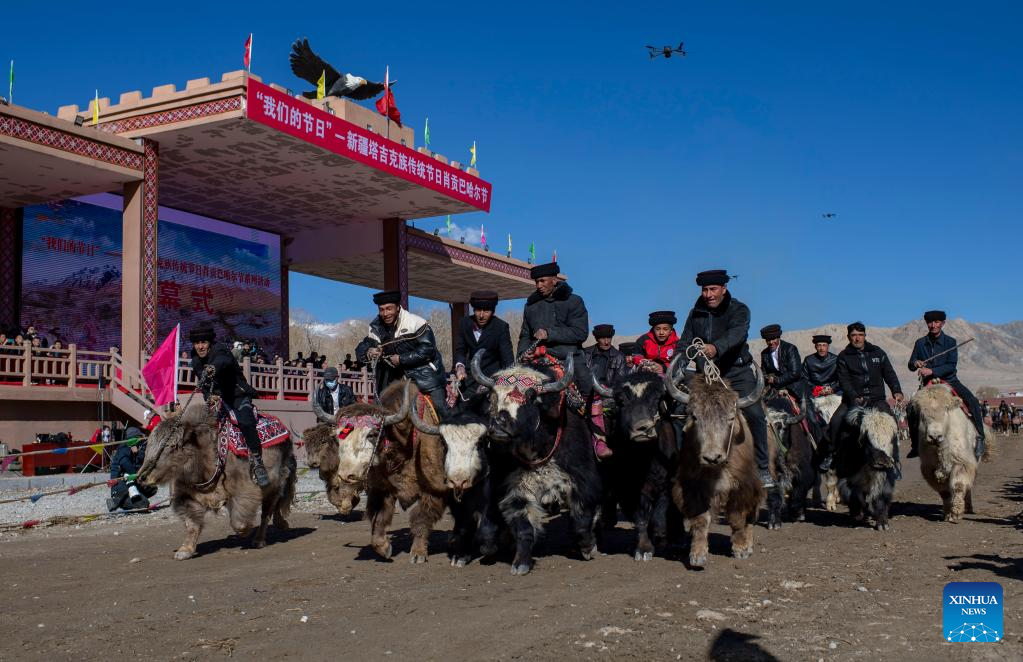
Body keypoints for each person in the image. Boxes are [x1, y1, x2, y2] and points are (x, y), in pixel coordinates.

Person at [674, 270, 773, 487]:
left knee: (755, 413)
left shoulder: (739, 310)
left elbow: (737, 334)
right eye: (705, 290)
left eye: (713, 289)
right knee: (681, 413)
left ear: (724, 289)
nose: (708, 294)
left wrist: (715, 348)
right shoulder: (696, 313)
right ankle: (683, 465)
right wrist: (676, 367)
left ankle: (763, 467)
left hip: (737, 373)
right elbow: (685, 343)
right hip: (707, 376)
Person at [518, 262, 602, 456]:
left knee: (590, 389)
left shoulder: (574, 301)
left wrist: (550, 333)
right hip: (538, 359)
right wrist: (523, 353)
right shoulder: (530, 306)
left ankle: (598, 438)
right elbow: (525, 335)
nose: (539, 285)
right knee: (515, 392)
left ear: (555, 280)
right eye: (536, 282)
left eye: (542, 281)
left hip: (570, 356)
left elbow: (580, 333)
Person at [189, 323, 270, 487]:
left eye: (204, 342)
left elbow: (223, 361)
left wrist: (213, 367)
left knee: (246, 422)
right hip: (218, 400)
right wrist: (209, 396)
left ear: (210, 343)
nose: (200, 346)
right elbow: (204, 386)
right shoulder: (196, 360)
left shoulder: (220, 350)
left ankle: (258, 462)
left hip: (237, 395)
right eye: (197, 343)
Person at [817, 322, 904, 472]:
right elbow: (844, 381)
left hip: (877, 399)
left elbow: (889, 373)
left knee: (891, 421)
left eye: (860, 335)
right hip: (853, 400)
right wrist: (854, 396)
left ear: (865, 336)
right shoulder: (844, 357)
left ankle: (894, 457)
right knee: (836, 421)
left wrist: (897, 390)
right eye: (854, 335)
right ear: (848, 337)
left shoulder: (878, 352)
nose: (857, 338)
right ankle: (831, 453)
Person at [907, 310, 985, 459]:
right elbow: (911, 364)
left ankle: (981, 437)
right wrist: (915, 363)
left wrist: (932, 371)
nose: (933, 325)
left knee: (973, 401)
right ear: (927, 323)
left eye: (937, 322)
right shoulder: (920, 343)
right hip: (928, 385)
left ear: (942, 323)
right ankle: (915, 444)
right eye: (930, 322)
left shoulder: (950, 342)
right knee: (911, 408)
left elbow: (951, 366)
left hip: (950, 381)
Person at [355, 290, 448, 414]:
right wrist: (369, 351)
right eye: (381, 310)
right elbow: (362, 347)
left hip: (425, 378)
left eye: (389, 309)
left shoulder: (416, 323)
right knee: (378, 414)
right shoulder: (375, 328)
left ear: (398, 307)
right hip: (392, 382)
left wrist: (401, 359)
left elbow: (428, 350)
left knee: (440, 408)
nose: (385, 313)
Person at [453, 290, 515, 393]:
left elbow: (508, 361)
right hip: (468, 380)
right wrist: (460, 367)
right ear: (473, 309)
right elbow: (460, 350)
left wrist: (499, 382)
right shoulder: (464, 323)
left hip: (492, 382)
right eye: (478, 310)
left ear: (493, 311)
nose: (481, 315)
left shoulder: (501, 327)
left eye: (486, 311)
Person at [585, 324, 627, 459]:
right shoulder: (585, 354)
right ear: (596, 339)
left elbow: (620, 382)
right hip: (587, 394)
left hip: (609, 396)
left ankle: (601, 443)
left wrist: (605, 393)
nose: (606, 341)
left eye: (609, 338)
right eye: (603, 338)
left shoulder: (619, 356)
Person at [107, 426, 157, 511]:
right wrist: (138, 474)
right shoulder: (123, 449)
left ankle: (134, 498)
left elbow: (141, 462)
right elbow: (129, 467)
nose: (141, 440)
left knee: (152, 488)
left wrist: (138, 453)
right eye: (139, 437)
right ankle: (117, 501)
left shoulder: (138, 448)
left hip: (132, 483)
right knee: (144, 504)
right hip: (121, 485)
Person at [758, 324, 805, 401]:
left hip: (794, 388)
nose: (771, 342)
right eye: (768, 340)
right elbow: (763, 373)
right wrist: (766, 378)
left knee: (806, 407)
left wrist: (776, 380)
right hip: (775, 389)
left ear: (778, 337)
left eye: (773, 339)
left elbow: (795, 372)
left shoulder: (790, 349)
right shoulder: (764, 353)